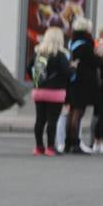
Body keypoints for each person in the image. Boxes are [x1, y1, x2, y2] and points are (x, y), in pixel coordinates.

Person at [31, 27, 70, 156]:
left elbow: (28, 68)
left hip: (39, 91)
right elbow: (67, 72)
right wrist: (73, 69)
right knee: (52, 121)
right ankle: (50, 148)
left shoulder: (39, 53)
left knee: (40, 120)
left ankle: (38, 147)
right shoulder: (60, 55)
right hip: (55, 93)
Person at [64, 18, 100, 154]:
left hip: (73, 80)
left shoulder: (72, 43)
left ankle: (68, 142)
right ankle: (76, 143)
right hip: (84, 82)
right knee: (78, 112)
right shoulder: (86, 45)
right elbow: (94, 62)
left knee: (72, 111)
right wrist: (100, 56)